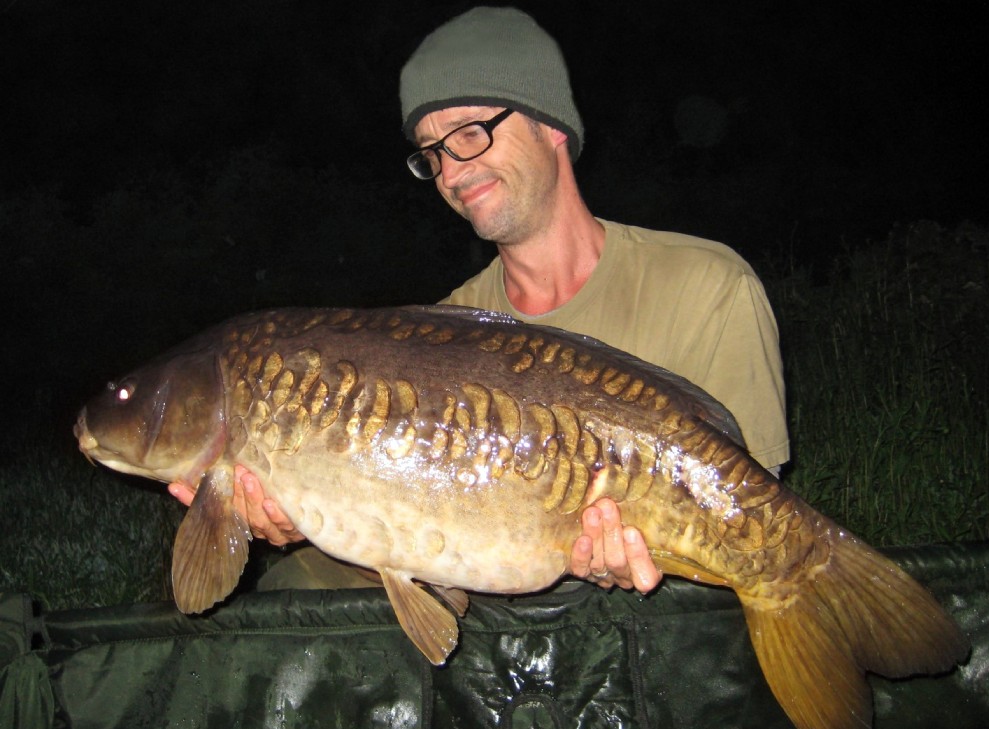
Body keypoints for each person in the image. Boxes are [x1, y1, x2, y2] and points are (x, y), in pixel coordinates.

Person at [169, 6, 788, 595]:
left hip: (661, 639)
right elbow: (419, 537)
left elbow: (751, 526)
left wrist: (662, 551)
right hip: (503, 639)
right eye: (432, 152)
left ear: (550, 124)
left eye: (469, 132)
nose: (452, 173)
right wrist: (304, 519)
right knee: (294, 585)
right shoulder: (436, 344)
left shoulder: (708, 287)